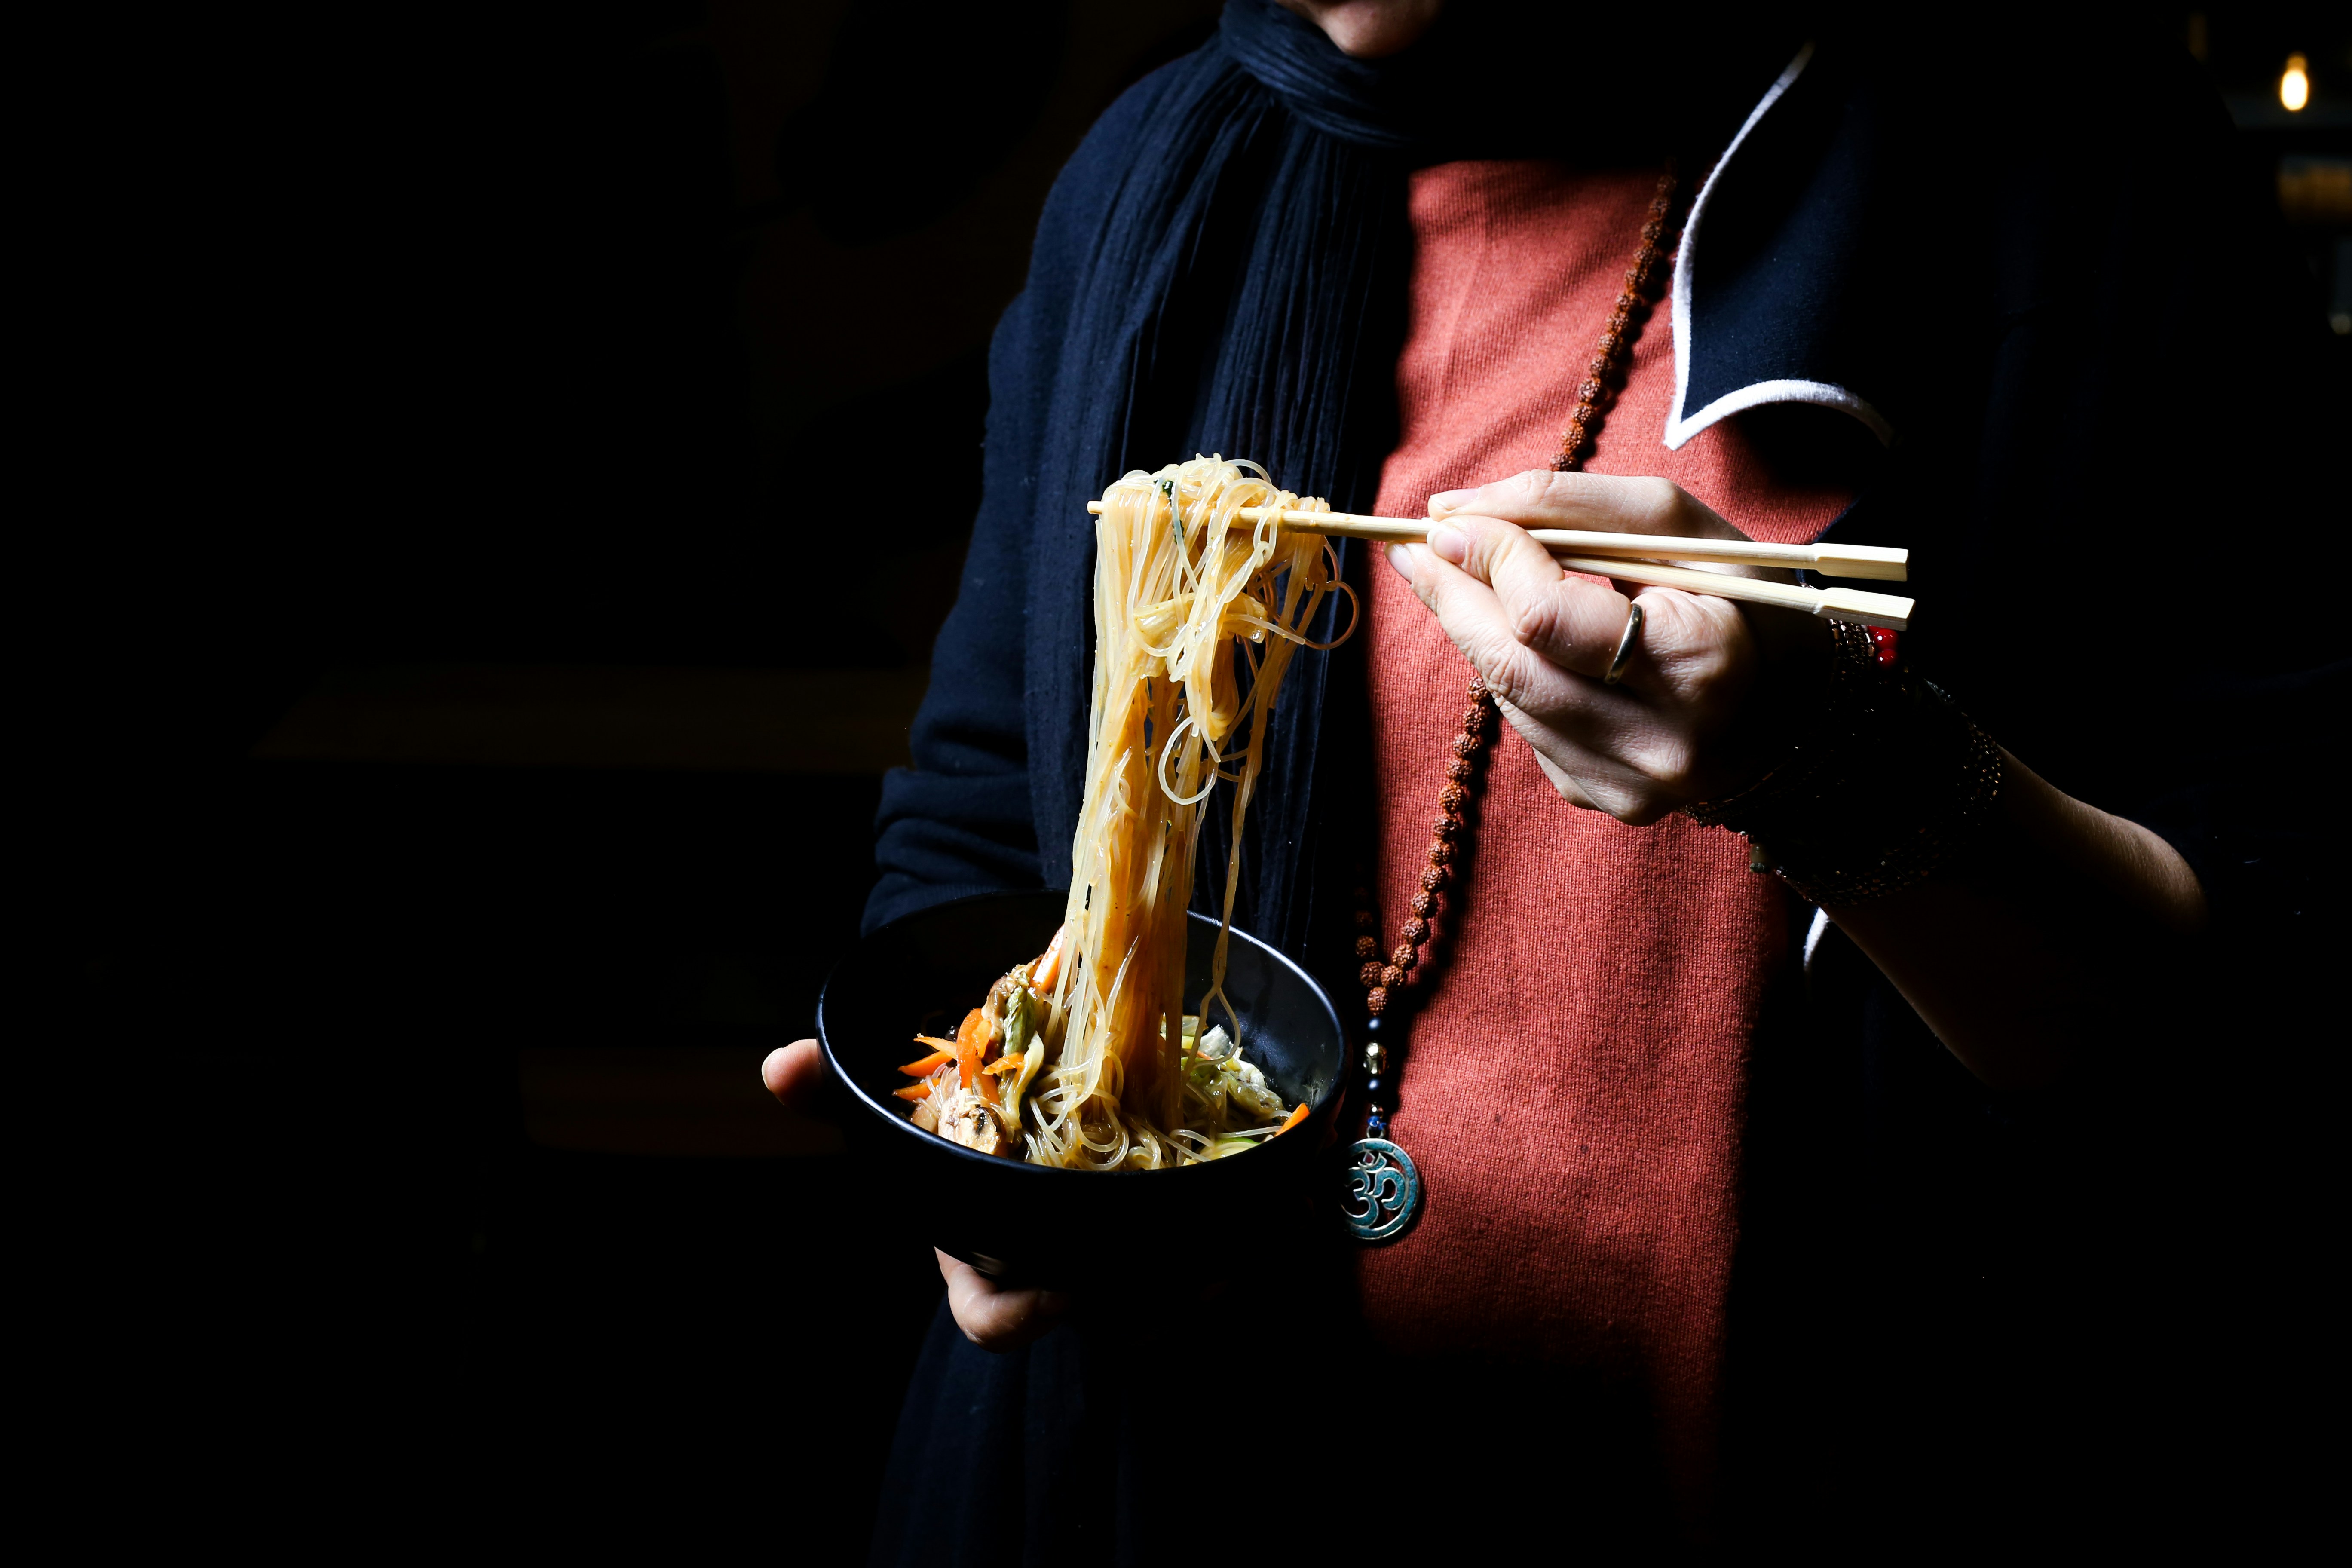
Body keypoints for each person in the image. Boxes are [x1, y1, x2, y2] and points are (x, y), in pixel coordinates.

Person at [765, 0, 2341, 1554]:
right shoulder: (1150, 182)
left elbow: (2265, 1038)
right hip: (1157, 1473)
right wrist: (991, 1162)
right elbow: (986, 818)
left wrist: (1832, 767)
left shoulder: (2054, 163)